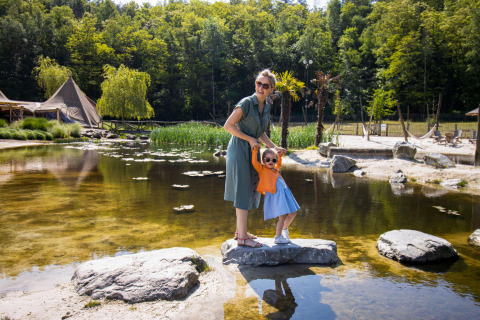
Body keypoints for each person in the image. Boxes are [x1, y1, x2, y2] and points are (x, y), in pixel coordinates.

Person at [224, 69, 287, 248]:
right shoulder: (246, 103)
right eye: (258, 83)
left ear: (271, 89)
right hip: (239, 149)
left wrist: (274, 147)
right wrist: (249, 139)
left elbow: (260, 134)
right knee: (243, 190)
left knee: (251, 188)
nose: (260, 87)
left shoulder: (265, 106)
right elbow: (228, 125)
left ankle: (240, 232)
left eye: (264, 85)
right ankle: (243, 238)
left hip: (252, 150)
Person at [252, 147, 299, 244]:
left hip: (285, 193)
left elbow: (279, 164)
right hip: (277, 195)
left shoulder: (275, 168)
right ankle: (278, 237)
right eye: (268, 159)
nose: (270, 161)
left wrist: (280, 155)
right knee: (282, 216)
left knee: (293, 213)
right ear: (264, 160)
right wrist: (255, 151)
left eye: (273, 160)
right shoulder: (262, 169)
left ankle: (284, 229)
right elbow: (254, 163)